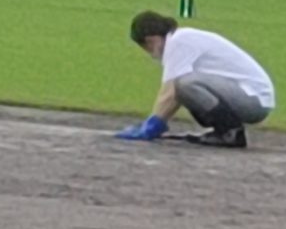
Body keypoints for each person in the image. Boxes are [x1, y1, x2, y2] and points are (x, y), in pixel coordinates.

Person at [118, 12, 275, 149]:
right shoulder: (182, 39)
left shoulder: (179, 41)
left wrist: (151, 125)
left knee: (186, 83)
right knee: (184, 85)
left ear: (150, 40)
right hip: (249, 97)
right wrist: (157, 121)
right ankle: (224, 131)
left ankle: (231, 132)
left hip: (253, 100)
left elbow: (170, 91)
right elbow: (175, 94)